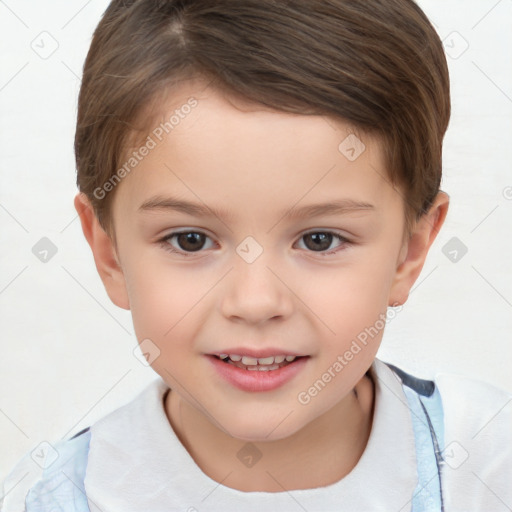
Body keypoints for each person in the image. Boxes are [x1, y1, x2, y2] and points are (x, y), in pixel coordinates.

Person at [2, 0, 511, 511]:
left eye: (320, 240)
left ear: (410, 251)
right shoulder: (67, 497)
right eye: (190, 240)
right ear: (109, 252)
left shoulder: (485, 465)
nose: (255, 301)